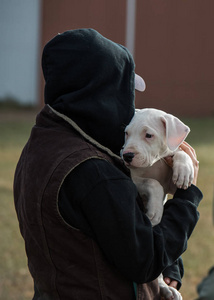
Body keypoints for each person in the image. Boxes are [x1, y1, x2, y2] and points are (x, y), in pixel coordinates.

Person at [14, 28, 202, 300]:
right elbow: (144, 260)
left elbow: (122, 230)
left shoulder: (41, 145)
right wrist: (186, 198)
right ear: (99, 91)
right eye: (125, 92)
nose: (130, 105)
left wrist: (170, 265)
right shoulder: (93, 172)